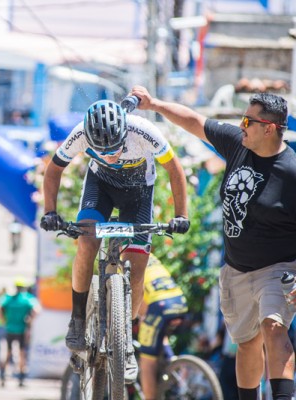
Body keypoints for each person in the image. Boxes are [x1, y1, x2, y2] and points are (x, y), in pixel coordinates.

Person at [130, 85, 296, 400]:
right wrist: (153, 104)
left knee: (274, 329)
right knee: (246, 343)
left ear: (270, 129)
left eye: (249, 122)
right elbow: (194, 121)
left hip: (279, 268)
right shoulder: (238, 144)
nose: (241, 126)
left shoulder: (291, 173)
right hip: (235, 270)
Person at [40, 99, 190, 383]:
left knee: (138, 262)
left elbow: (175, 169)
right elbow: (54, 169)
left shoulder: (143, 130)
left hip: (138, 194)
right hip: (101, 189)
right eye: (102, 150)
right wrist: (50, 211)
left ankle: (125, 343)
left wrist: (181, 215)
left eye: (115, 148)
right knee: (86, 243)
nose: (109, 155)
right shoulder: (81, 134)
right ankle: (78, 319)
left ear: (124, 132)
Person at [137, 253, 188, 400]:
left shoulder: (123, 259)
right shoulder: (148, 254)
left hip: (159, 305)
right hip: (179, 301)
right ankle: (174, 367)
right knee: (158, 334)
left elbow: (138, 298)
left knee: (147, 360)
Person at [0, 276, 40, 388]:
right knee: (22, 354)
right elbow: (37, 310)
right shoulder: (27, 299)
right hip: (22, 329)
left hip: (10, 328)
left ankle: (3, 376)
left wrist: (4, 320)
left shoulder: (8, 298)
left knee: (7, 353)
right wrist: (30, 320)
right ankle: (21, 379)